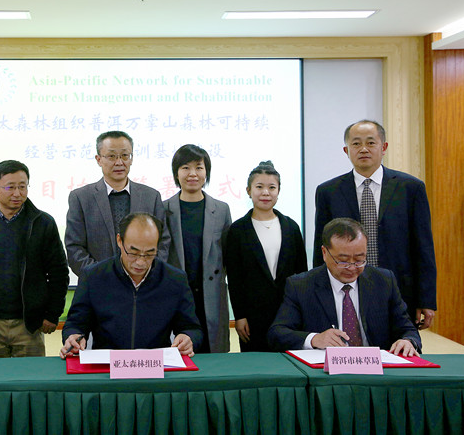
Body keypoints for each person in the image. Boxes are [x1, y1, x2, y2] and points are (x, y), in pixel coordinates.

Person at [313, 120, 437, 329]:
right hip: (344, 289)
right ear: (346, 150)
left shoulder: (411, 188)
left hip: (398, 289)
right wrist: (318, 294)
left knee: (398, 352)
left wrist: (426, 299)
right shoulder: (328, 191)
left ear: (384, 147)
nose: (363, 149)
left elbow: (423, 247)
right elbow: (321, 247)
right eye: (356, 144)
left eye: (371, 143)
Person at [0, 160, 69, 357]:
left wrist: (52, 315)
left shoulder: (43, 223)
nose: (17, 193)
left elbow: (59, 272)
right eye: (10, 187)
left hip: (29, 324)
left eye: (22, 187)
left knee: (28, 381)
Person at [268, 218, 421, 356]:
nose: (352, 267)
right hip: (327, 375)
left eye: (360, 259)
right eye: (343, 260)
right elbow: (277, 334)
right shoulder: (301, 285)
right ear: (324, 253)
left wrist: (408, 341)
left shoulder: (383, 281)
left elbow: (408, 329)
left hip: (376, 371)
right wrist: (315, 339)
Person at [60, 213, 202, 357]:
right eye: (133, 252)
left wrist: (187, 338)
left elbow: (192, 328)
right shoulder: (93, 277)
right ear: (119, 241)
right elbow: (75, 324)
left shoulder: (174, 279)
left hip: (156, 367)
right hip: (107, 368)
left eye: (149, 253)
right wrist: (73, 337)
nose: (140, 262)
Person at [224, 161, 307, 352]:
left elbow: (302, 273)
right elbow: (234, 278)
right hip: (252, 317)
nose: (265, 193)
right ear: (248, 190)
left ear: (279, 190)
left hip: (289, 312)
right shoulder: (237, 230)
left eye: (272, 187)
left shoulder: (291, 227)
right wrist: (240, 316)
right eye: (259, 187)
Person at [65, 130, 170, 276]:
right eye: (112, 156)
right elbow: (74, 248)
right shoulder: (81, 198)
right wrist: (103, 277)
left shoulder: (151, 196)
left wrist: (144, 274)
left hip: (144, 286)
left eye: (125, 155)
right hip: (99, 286)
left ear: (131, 158)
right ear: (98, 159)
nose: (119, 162)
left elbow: (163, 243)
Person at [163, 144, 231, 353]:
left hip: (211, 297)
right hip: (176, 296)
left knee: (213, 357)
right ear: (176, 173)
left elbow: (229, 257)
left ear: (206, 172)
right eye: (185, 167)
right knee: (177, 355)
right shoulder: (163, 209)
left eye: (199, 167)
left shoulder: (221, 209)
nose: (192, 173)